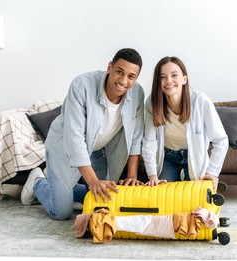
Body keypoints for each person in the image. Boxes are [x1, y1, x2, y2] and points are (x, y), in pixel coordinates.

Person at [21, 48, 145, 220]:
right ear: (110, 67)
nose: (123, 81)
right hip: (64, 148)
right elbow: (74, 139)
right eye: (119, 72)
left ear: (136, 78)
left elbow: (136, 136)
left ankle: (65, 190)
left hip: (96, 149)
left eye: (131, 76)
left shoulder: (137, 93)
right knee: (62, 213)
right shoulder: (81, 85)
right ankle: (38, 182)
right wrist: (93, 181)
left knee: (103, 200)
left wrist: (132, 176)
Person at [142, 56, 228, 191]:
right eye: (162, 77)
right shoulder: (152, 103)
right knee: (163, 197)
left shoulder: (201, 101)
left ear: (184, 79)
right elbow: (149, 142)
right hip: (168, 157)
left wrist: (212, 173)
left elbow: (221, 140)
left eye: (174, 75)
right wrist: (152, 176)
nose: (168, 81)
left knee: (195, 201)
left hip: (193, 157)